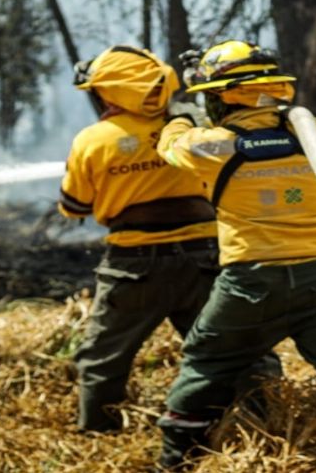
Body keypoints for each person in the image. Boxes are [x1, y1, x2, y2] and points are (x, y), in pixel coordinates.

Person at [153, 40, 316, 471]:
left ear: (218, 99)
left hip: (253, 280)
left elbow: (170, 146)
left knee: (207, 361)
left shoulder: (210, 146)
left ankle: (174, 458)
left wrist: (183, 113)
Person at [60, 45, 219, 432]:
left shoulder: (93, 140)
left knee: (102, 359)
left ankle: (99, 436)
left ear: (112, 91)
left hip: (133, 264)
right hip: (208, 258)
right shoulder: (195, 124)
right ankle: (258, 420)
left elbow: (74, 206)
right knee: (230, 349)